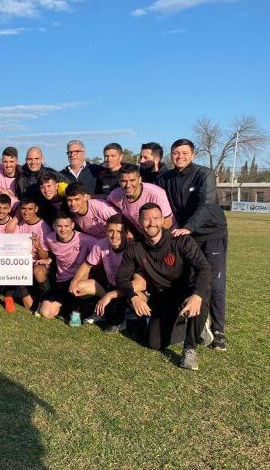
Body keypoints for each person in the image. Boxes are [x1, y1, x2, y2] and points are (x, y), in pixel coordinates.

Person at [116, 203, 213, 370]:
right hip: (163, 297)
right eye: (146, 219)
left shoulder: (181, 241)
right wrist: (133, 297)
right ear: (139, 221)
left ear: (162, 220)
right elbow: (121, 278)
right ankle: (195, 325)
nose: (151, 223)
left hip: (186, 293)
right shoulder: (135, 248)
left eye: (155, 218)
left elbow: (204, 268)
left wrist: (197, 295)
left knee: (200, 297)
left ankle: (190, 348)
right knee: (154, 343)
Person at [156, 138, 229, 351]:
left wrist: (188, 227)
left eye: (184, 153)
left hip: (210, 233)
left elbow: (206, 205)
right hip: (186, 235)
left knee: (214, 281)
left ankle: (218, 330)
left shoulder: (204, 174)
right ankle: (196, 321)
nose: (180, 157)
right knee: (189, 279)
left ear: (193, 155)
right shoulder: (166, 177)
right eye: (176, 153)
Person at [69, 214, 134, 333]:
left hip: (126, 289)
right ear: (106, 231)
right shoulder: (101, 244)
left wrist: (111, 296)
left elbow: (137, 282)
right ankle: (101, 312)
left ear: (126, 232)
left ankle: (126, 316)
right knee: (79, 287)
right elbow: (87, 265)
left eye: (119, 231)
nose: (114, 235)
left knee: (115, 320)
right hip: (109, 285)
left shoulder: (133, 248)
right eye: (111, 231)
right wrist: (74, 282)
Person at [37, 212, 98, 326]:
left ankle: (77, 311)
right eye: (59, 226)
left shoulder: (84, 239)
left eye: (66, 226)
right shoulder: (50, 238)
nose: (63, 229)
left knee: (79, 287)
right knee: (46, 313)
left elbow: (101, 248)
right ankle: (68, 308)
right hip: (61, 281)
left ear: (72, 225)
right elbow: (49, 253)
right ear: (54, 226)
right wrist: (49, 259)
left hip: (79, 279)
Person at [108, 164, 173, 236]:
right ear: (119, 181)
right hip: (140, 235)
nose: (128, 185)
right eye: (123, 181)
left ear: (140, 179)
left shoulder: (156, 193)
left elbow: (168, 222)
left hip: (166, 234)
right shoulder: (115, 195)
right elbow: (106, 202)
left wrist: (150, 239)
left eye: (132, 180)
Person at [16, 199, 53, 310]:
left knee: (38, 272)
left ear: (36, 209)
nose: (26, 212)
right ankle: (21, 290)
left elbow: (46, 257)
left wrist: (38, 247)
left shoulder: (43, 227)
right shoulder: (20, 224)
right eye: (23, 209)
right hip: (23, 263)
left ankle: (45, 300)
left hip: (39, 262)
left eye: (30, 209)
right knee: (28, 306)